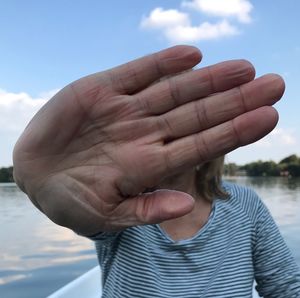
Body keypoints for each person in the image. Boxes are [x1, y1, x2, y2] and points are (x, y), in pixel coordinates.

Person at [13, 45, 300, 297]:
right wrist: (47, 180)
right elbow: (90, 216)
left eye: (183, 120)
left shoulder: (246, 206)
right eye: (149, 122)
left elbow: (286, 288)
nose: (159, 136)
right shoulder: (115, 205)